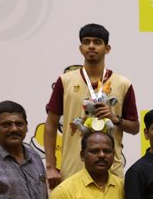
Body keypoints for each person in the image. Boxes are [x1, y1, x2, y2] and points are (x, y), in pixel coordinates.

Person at [44, 23, 139, 187]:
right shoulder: (65, 81)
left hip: (111, 170)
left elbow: (135, 128)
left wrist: (114, 118)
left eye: (97, 42)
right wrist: (51, 166)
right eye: (86, 42)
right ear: (81, 48)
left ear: (107, 48)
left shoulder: (123, 84)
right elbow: (51, 124)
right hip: (73, 168)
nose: (91, 46)